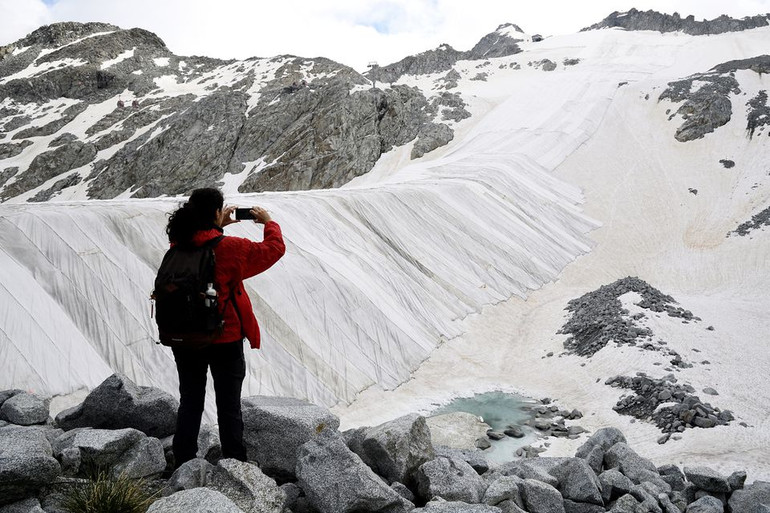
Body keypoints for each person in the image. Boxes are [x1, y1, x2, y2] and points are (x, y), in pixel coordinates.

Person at [164, 187, 285, 466]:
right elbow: (274, 249)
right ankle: (234, 462)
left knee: (190, 399)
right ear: (217, 212)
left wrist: (217, 227)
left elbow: (202, 245)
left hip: (185, 338)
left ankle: (184, 461)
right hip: (225, 337)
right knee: (228, 404)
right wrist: (268, 222)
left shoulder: (177, 246)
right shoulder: (231, 248)